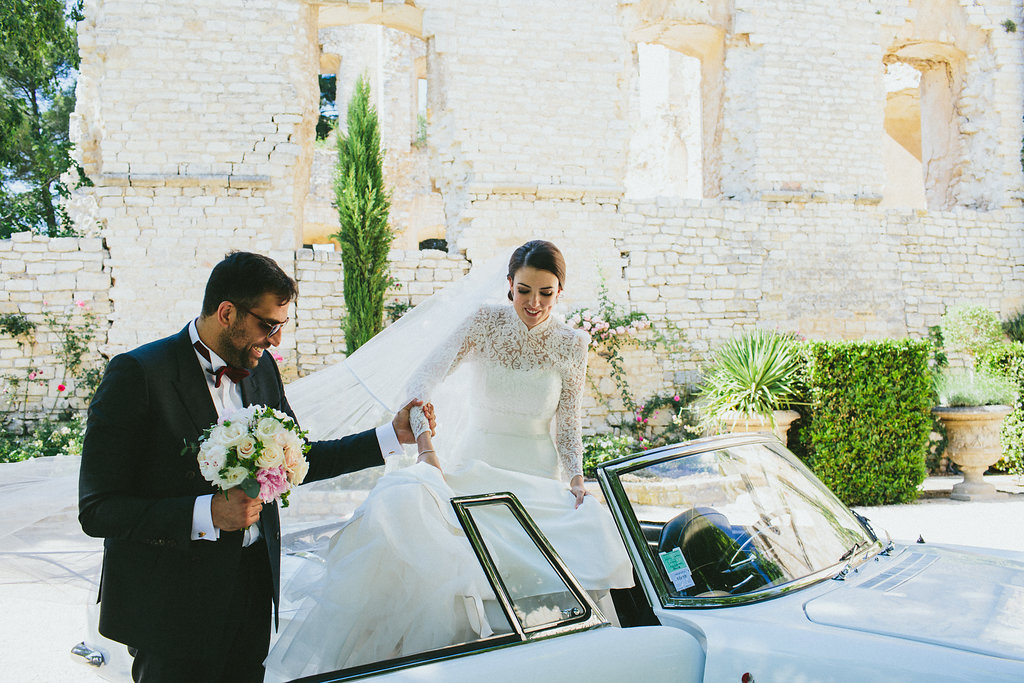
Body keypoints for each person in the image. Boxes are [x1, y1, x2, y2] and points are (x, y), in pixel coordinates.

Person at [265, 240, 634, 679]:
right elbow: (421, 382)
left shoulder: (574, 344)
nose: (534, 303)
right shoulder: (483, 322)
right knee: (463, 581)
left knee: (546, 584)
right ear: (509, 286)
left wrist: (576, 479)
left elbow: (568, 425)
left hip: (538, 472)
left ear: (559, 291)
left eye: (546, 293)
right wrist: (427, 450)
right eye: (524, 291)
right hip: (476, 466)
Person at [77, 251, 434, 683]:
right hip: (171, 606)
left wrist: (391, 436)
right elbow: (98, 508)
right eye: (268, 325)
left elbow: (299, 460)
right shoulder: (138, 374)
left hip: (251, 591)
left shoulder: (261, 370)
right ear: (227, 312)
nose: (277, 340)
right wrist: (205, 513)